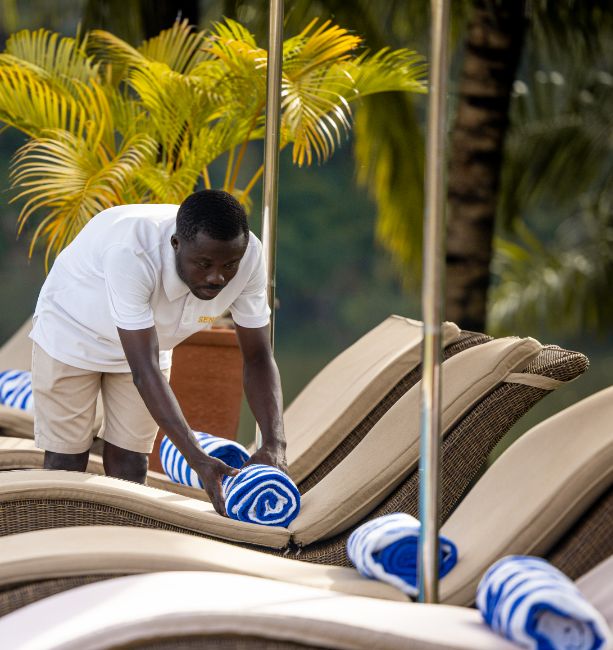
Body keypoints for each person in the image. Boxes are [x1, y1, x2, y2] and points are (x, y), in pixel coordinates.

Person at [29, 189, 287, 515]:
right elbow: (145, 370)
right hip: (72, 335)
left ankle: (122, 549)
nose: (217, 276)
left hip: (147, 343)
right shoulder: (132, 253)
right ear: (176, 244)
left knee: (131, 461)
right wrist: (197, 459)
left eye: (229, 264)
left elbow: (258, 357)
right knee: (67, 459)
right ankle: (57, 547)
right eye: (204, 263)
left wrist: (275, 444)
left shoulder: (249, 257)